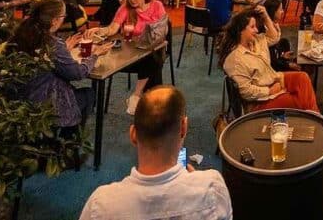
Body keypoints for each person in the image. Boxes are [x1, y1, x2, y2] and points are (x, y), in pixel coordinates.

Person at [79, 85, 232, 220]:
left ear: (133, 134)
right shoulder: (212, 188)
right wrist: (194, 182)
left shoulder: (100, 206)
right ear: (184, 128)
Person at [14, 0, 111, 137]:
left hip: (20, 97)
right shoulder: (52, 42)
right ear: (54, 21)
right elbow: (77, 74)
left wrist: (64, 48)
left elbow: (44, 59)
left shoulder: (21, 33)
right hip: (44, 102)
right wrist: (95, 55)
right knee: (88, 94)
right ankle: (69, 139)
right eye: (63, 17)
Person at [86, 0, 169, 115]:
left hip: (154, 48)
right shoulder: (125, 8)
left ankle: (138, 98)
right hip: (130, 54)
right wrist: (99, 30)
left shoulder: (157, 5)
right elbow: (112, 29)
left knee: (153, 60)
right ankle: (152, 106)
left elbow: (163, 30)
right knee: (154, 64)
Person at [220, 6, 319, 112]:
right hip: (258, 102)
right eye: (252, 27)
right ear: (241, 31)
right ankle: (315, 119)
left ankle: (314, 116)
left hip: (272, 79)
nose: (256, 30)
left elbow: (274, 37)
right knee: (300, 100)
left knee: (302, 78)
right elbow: (246, 91)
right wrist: (269, 91)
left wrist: (266, 17)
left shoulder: (256, 41)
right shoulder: (236, 60)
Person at [261, 0, 298, 71]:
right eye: (280, 9)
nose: (283, 11)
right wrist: (287, 65)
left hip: (277, 59)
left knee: (284, 41)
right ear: (273, 12)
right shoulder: (267, 30)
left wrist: (282, 57)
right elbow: (271, 60)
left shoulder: (274, 24)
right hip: (270, 68)